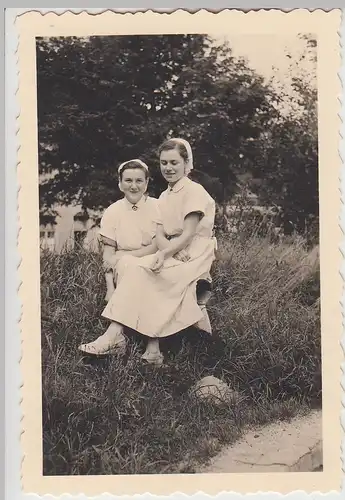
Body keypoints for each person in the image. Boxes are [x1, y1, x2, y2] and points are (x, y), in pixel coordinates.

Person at [80, 138, 216, 366]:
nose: (169, 168)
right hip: (173, 249)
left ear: (186, 163)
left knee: (147, 271)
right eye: (164, 163)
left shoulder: (195, 191)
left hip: (194, 253)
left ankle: (122, 338)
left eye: (174, 162)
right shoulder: (164, 196)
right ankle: (122, 337)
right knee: (134, 265)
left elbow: (189, 233)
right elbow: (162, 235)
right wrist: (165, 251)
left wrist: (165, 254)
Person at [78, 159, 160, 355]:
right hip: (122, 266)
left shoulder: (158, 207)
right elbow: (108, 254)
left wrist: (127, 255)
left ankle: (116, 335)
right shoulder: (113, 211)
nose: (134, 186)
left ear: (147, 183)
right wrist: (110, 287)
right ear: (120, 183)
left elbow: (158, 246)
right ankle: (149, 345)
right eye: (128, 180)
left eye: (139, 181)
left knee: (134, 265)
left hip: (153, 263)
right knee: (128, 265)